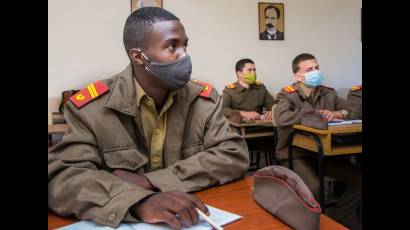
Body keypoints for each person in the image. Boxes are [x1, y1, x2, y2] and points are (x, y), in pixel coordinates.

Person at [48, 7, 249, 229]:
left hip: (196, 215)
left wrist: (151, 181)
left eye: (185, 45)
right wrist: (136, 201)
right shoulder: (91, 108)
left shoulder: (203, 100)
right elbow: (61, 178)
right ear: (138, 56)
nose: (184, 56)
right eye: (172, 46)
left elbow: (233, 154)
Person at [274, 53, 361, 229]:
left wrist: (339, 113)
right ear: (298, 76)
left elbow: (355, 109)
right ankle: (307, 224)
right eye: (310, 69)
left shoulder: (328, 93)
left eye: (317, 68)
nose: (316, 72)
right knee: (314, 187)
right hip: (296, 155)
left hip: (324, 154)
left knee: (360, 179)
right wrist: (316, 115)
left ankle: (339, 217)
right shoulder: (287, 95)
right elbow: (281, 117)